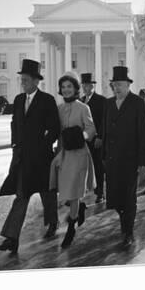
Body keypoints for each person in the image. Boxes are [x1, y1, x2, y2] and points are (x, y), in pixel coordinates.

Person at [0, 59, 60, 255]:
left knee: (47, 195)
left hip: (41, 159)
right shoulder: (19, 100)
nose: (22, 83)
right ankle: (11, 238)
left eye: (25, 80)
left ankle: (52, 223)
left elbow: (54, 128)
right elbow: (15, 124)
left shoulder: (47, 100)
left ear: (35, 81)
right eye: (21, 79)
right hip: (23, 159)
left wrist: (43, 145)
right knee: (21, 197)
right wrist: (15, 143)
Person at [102, 66, 145, 248]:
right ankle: (124, 222)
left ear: (128, 85)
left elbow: (144, 133)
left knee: (129, 198)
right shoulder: (108, 104)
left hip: (131, 160)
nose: (117, 88)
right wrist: (104, 156)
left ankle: (128, 231)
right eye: (114, 85)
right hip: (112, 160)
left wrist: (143, 161)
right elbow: (105, 131)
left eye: (120, 85)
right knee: (115, 198)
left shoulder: (136, 102)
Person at [49, 72, 96, 248]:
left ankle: (71, 228)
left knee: (74, 192)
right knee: (67, 192)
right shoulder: (59, 109)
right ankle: (80, 209)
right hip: (63, 154)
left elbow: (91, 130)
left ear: (75, 89)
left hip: (79, 154)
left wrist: (80, 136)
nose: (66, 90)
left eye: (69, 86)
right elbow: (55, 131)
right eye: (63, 87)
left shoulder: (83, 108)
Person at [80, 72, 106, 203]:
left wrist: (100, 137)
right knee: (83, 166)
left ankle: (100, 191)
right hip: (84, 140)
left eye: (88, 85)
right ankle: (83, 191)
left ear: (93, 86)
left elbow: (103, 121)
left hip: (96, 140)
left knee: (98, 166)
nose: (85, 88)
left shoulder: (101, 100)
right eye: (84, 85)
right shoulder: (81, 101)